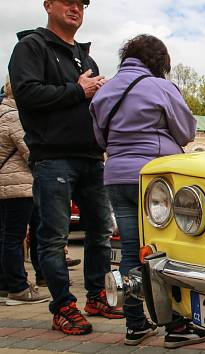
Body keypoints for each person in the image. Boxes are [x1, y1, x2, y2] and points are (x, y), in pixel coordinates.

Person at [8, 0, 123, 335]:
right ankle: (62, 306)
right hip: (53, 157)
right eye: (68, 2)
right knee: (53, 236)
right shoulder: (31, 47)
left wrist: (101, 96)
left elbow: (88, 102)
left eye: (81, 4)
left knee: (101, 232)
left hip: (90, 157)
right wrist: (79, 89)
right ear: (47, 5)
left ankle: (97, 296)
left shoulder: (85, 58)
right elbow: (27, 94)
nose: (76, 8)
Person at [90, 34, 205, 348]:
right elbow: (185, 132)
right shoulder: (161, 87)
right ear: (159, 62)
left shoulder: (106, 92)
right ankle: (176, 326)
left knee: (130, 251)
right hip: (153, 179)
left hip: (116, 176)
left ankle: (135, 325)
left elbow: (100, 140)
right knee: (165, 251)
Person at [0, 77, 50, 306]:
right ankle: (19, 287)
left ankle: (5, 283)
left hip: (6, 185)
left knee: (7, 236)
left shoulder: (1, 113)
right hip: (18, 185)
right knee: (15, 237)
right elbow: (31, 150)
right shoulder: (14, 116)